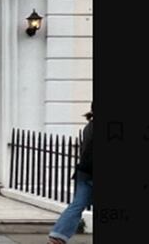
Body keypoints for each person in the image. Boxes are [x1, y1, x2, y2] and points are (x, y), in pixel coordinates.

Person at [48, 102, 93, 243]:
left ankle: (57, 236)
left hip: (84, 172)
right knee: (77, 205)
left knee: (77, 205)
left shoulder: (89, 126)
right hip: (90, 172)